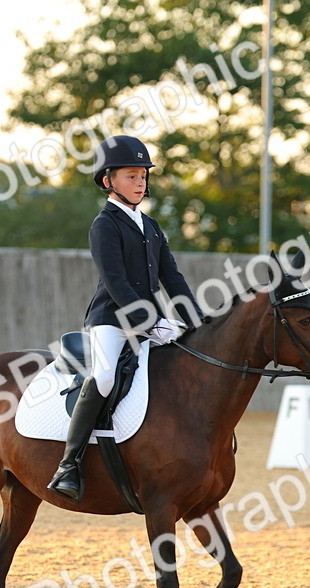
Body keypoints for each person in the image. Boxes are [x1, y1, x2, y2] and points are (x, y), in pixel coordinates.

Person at [47, 135, 201, 502]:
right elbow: (115, 282)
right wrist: (150, 321)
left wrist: (195, 321)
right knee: (103, 377)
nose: (140, 183)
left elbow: (173, 279)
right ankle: (69, 463)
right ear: (108, 181)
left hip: (150, 319)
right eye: (131, 176)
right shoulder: (105, 225)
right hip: (112, 321)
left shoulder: (151, 227)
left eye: (143, 176)